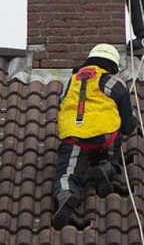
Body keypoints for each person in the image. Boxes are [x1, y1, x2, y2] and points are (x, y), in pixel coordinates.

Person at [52, 43, 137, 229]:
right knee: (115, 141)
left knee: (67, 172)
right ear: (113, 65)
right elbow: (128, 124)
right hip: (104, 137)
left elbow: (61, 105)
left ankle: (65, 194)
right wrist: (132, 123)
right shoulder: (115, 82)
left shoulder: (70, 82)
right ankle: (106, 168)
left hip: (74, 138)